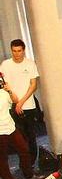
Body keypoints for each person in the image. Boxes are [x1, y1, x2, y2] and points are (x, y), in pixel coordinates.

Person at [0, 38, 41, 166]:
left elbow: (33, 85)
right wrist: (15, 101)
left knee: (31, 136)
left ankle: (31, 164)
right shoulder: (5, 65)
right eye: (14, 51)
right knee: (18, 137)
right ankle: (23, 164)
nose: (17, 53)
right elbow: (5, 85)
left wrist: (21, 102)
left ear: (23, 51)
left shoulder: (30, 64)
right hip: (12, 105)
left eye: (19, 51)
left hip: (28, 105)